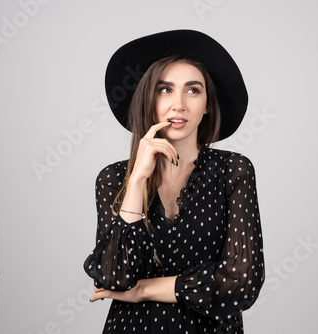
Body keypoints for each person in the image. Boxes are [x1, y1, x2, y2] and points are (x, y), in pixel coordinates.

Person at [83, 30, 265, 334]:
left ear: (207, 104)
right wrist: (137, 179)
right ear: (148, 99)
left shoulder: (233, 171)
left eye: (192, 90)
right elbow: (113, 277)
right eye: (164, 90)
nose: (178, 105)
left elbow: (242, 283)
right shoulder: (114, 178)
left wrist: (142, 290)